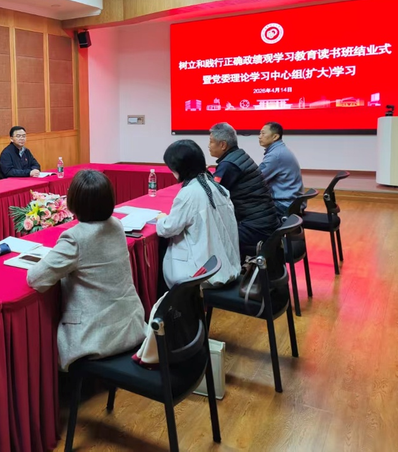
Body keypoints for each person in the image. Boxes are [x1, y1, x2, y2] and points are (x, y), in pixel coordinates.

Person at [27, 169, 145, 370]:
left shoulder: (75, 237)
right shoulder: (116, 225)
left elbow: (36, 279)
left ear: (74, 202)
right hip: (130, 324)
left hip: (96, 335)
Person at [156, 140, 241, 288]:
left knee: (162, 252)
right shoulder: (216, 187)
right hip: (226, 266)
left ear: (180, 168)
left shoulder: (189, 193)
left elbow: (169, 229)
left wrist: (161, 219)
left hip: (202, 274)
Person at [208, 122, 280, 259]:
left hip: (256, 229)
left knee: (210, 237)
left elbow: (212, 196)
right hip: (267, 222)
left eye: (211, 142)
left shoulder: (229, 165)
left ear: (223, 145)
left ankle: (229, 271)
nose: (208, 146)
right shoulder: (239, 155)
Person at [258, 122, 304, 216]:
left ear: (275, 137)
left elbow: (256, 178)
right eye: (260, 133)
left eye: (263, 133)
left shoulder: (275, 155)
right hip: (292, 202)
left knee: (245, 207)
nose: (259, 137)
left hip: (285, 205)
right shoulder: (279, 150)